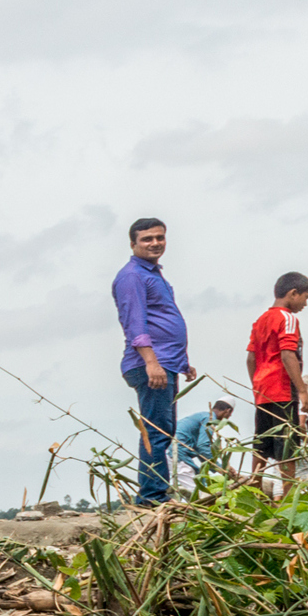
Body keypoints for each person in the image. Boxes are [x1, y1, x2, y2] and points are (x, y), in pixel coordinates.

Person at [113, 217, 193, 508]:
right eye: (147, 239)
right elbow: (134, 322)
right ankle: (151, 497)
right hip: (150, 364)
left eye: (159, 237)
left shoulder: (154, 274)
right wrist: (151, 362)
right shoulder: (133, 276)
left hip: (166, 363)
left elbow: (163, 318)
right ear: (133, 243)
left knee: (164, 430)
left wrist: (182, 361)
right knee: (157, 431)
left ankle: (157, 491)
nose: (155, 243)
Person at [251, 275, 308, 494]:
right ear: (293, 294)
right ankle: (288, 499)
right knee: (287, 444)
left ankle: (254, 492)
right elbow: (288, 355)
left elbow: (251, 358)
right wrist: (303, 391)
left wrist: (256, 385)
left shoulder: (261, 320)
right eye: (305, 298)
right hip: (281, 390)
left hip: (263, 391)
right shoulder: (287, 318)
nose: (305, 304)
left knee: (261, 443)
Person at [174, 400, 234, 491]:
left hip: (173, 449)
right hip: (176, 452)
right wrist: (220, 467)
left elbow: (200, 451)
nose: (229, 417)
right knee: (197, 490)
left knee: (200, 479)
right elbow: (202, 447)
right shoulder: (210, 419)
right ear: (227, 411)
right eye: (230, 415)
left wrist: (220, 468)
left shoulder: (202, 416)